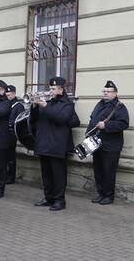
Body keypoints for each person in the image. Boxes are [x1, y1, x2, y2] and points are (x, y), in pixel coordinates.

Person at [31, 77, 80, 211]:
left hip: (58, 145)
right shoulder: (48, 102)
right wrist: (34, 107)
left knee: (58, 175)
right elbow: (34, 120)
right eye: (50, 88)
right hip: (44, 144)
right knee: (46, 174)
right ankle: (48, 198)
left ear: (61, 89)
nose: (50, 91)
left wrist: (45, 106)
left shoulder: (68, 105)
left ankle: (59, 200)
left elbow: (61, 118)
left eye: (53, 89)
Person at [87, 80, 129, 205]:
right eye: (104, 91)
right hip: (97, 143)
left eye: (108, 91)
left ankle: (108, 196)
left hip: (111, 146)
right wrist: (88, 135)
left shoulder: (120, 107)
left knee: (108, 172)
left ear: (115, 93)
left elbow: (123, 124)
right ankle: (101, 194)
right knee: (98, 171)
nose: (105, 93)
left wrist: (106, 125)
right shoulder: (99, 104)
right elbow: (92, 119)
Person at [6, 85, 24, 184]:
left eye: (9, 95)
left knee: (10, 156)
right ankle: (5, 175)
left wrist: (9, 123)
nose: (7, 96)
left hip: (11, 134)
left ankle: (11, 176)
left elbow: (19, 120)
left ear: (13, 94)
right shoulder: (5, 103)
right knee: (4, 156)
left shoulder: (18, 106)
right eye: (6, 95)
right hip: (3, 133)